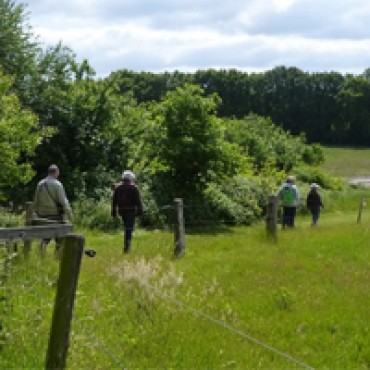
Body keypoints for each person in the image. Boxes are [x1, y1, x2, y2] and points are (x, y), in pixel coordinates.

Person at [33, 164, 73, 251]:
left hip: (42, 214)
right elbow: (63, 201)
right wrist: (69, 214)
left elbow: (36, 199)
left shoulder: (40, 183)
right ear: (56, 172)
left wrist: (35, 212)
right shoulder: (57, 184)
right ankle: (57, 255)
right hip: (55, 214)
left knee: (46, 235)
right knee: (60, 236)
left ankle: (41, 252)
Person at [112, 170, 143, 253]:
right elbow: (138, 201)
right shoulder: (133, 187)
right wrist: (140, 211)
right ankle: (127, 247)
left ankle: (127, 246)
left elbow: (114, 201)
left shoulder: (117, 187)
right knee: (129, 228)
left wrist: (114, 211)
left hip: (121, 210)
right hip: (131, 210)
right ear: (131, 178)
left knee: (127, 227)